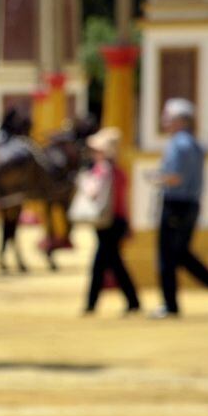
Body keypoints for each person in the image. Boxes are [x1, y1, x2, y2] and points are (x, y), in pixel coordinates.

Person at [149, 98, 208, 318]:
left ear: (179, 121)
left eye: (168, 118)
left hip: (175, 205)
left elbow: (175, 177)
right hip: (191, 206)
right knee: (182, 254)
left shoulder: (178, 144)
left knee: (168, 256)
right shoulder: (194, 143)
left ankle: (170, 304)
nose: (164, 122)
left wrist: (157, 178)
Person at [82, 128, 140, 315]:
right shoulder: (119, 170)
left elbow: (92, 193)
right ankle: (131, 301)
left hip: (107, 222)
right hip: (118, 220)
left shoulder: (103, 170)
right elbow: (125, 200)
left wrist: (83, 182)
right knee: (112, 262)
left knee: (103, 263)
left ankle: (93, 303)